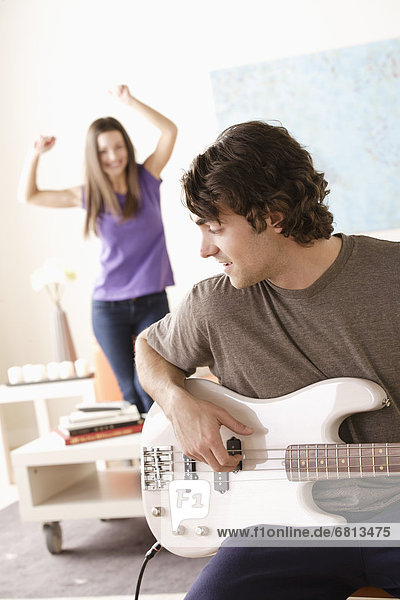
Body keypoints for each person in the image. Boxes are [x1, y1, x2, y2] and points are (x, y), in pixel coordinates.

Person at [135, 121, 400, 599]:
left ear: (273, 215)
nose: (204, 248)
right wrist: (177, 402)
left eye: (216, 228)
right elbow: (148, 349)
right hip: (281, 525)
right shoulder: (215, 304)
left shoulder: (392, 277)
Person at [19, 85, 177, 414]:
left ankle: (167, 459)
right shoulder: (90, 194)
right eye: (104, 151)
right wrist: (35, 153)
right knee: (129, 393)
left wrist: (129, 101)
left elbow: (169, 130)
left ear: (126, 145)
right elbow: (30, 196)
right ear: (95, 155)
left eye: (118, 147)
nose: (114, 156)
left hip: (151, 300)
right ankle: (143, 464)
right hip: (109, 308)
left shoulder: (147, 177)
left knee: (153, 385)